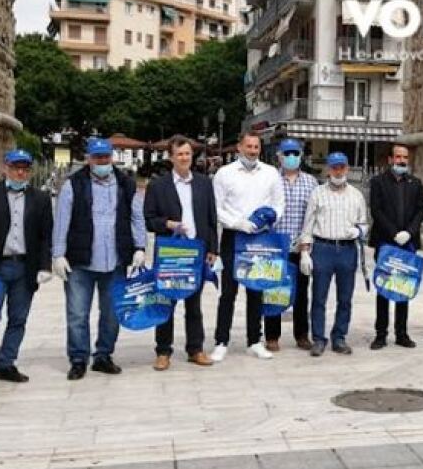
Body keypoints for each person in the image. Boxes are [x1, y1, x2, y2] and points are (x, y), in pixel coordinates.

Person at [52, 137, 147, 380]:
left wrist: (140, 247)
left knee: (112, 312)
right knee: (77, 314)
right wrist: (58, 254)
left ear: (112, 157)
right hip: (81, 260)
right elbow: (62, 221)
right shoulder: (74, 184)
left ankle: (103, 355)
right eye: (97, 158)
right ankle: (78, 358)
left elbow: (137, 217)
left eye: (106, 157)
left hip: (114, 260)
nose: (102, 161)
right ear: (89, 159)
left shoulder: (126, 184)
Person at [0, 149, 53, 387]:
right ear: (4, 168)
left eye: (25, 168)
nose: (20, 172)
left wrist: (45, 266)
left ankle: (7, 363)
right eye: (15, 167)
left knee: (18, 318)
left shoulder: (40, 198)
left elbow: (45, 235)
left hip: (24, 266)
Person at [143, 136, 218, 370]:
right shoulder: (158, 185)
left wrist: (213, 249)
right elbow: (149, 219)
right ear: (171, 157)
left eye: (188, 153)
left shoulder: (204, 183)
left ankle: (195, 348)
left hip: (196, 251)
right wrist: (168, 224)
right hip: (170, 252)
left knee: (194, 305)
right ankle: (163, 350)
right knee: (166, 301)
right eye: (180, 154)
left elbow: (211, 218)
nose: (185, 158)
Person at [212, 133, 285, 362]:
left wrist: (267, 220)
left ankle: (254, 340)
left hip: (260, 238)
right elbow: (217, 207)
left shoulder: (271, 173)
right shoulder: (225, 173)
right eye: (249, 146)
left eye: (256, 147)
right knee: (228, 292)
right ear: (239, 147)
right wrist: (238, 223)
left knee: (256, 290)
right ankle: (221, 341)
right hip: (234, 236)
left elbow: (278, 203)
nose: (253, 151)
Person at [300, 152, 368, 356]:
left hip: (347, 249)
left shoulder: (356, 195)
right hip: (323, 248)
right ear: (328, 170)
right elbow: (308, 225)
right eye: (334, 167)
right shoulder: (317, 193)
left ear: (347, 168)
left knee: (345, 298)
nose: (338, 171)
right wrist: (305, 252)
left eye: (342, 167)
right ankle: (319, 338)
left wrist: (359, 231)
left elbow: (364, 224)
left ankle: (339, 337)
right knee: (319, 297)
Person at [368, 143, 423, 349]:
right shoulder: (378, 182)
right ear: (390, 159)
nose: (402, 161)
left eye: (405, 157)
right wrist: (394, 233)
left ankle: (402, 333)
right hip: (386, 242)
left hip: (407, 243)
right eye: (398, 157)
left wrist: (409, 232)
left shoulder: (415, 183)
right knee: (383, 286)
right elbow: (376, 210)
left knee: (403, 285)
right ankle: (381, 334)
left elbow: (421, 210)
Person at [275, 138, 318, 350]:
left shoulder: (311, 182)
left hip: (301, 247)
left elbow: (313, 216)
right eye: (287, 153)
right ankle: (272, 335)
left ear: (301, 155)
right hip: (276, 245)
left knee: (302, 292)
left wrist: (306, 247)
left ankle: (302, 335)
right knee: (274, 290)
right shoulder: (271, 180)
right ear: (279, 156)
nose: (291, 157)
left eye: (295, 153)